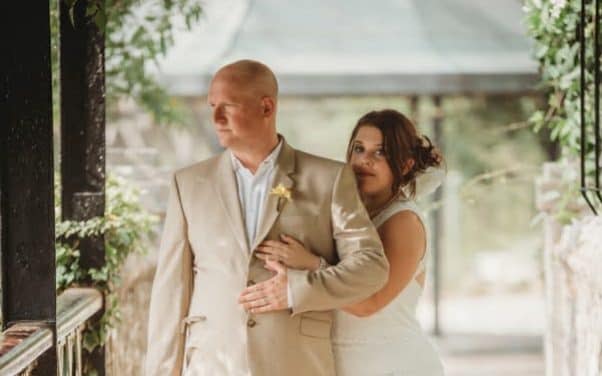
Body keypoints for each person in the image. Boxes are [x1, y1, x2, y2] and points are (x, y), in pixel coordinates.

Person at [144, 60, 389, 376]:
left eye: (228, 106)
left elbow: (372, 267)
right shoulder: (188, 184)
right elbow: (170, 292)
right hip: (211, 364)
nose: (216, 118)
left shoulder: (328, 178)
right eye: (212, 106)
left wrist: (296, 289)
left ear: (266, 107)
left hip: (296, 364)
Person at [257, 109, 446, 375]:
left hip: (393, 364)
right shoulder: (345, 214)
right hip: (340, 362)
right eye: (359, 149)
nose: (364, 160)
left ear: (405, 165)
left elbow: (369, 302)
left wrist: (311, 264)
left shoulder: (403, 222)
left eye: (380, 152)